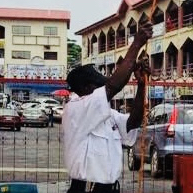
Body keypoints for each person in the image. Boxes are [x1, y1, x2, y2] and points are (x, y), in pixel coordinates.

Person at [63, 22, 152, 193]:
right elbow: (113, 86)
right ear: (86, 88)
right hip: (86, 188)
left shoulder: (106, 113)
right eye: (99, 86)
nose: (104, 90)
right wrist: (136, 44)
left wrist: (141, 86)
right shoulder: (75, 110)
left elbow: (132, 123)